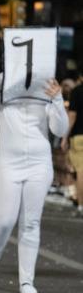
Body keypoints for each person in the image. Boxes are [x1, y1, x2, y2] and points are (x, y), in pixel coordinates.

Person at [0, 74, 68, 293]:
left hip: (39, 165)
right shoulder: (5, 99)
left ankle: (26, 280)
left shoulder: (46, 98)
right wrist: (10, 71)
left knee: (31, 222)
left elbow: (60, 129)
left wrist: (57, 99)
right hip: (8, 164)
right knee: (4, 220)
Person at [62, 73, 83, 215]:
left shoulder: (77, 91)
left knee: (80, 172)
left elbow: (72, 116)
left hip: (79, 136)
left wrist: (65, 137)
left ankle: (81, 204)